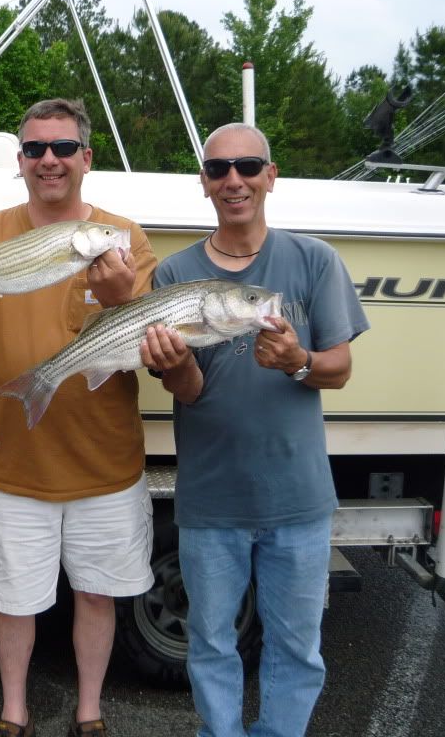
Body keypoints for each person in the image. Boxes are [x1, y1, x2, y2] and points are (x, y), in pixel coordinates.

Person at [0, 98, 158, 737]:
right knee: (12, 597)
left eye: (60, 148)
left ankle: (89, 712)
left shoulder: (124, 237)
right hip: (13, 459)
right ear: (21, 162)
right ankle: (13, 712)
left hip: (105, 461)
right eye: (34, 149)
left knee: (98, 594)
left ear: (86, 157)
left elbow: (144, 343)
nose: (48, 160)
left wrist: (117, 296)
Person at [140, 123, 369, 737]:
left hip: (297, 497)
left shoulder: (315, 260)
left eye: (247, 167)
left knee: (297, 648)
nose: (233, 180)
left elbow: (339, 370)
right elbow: (188, 393)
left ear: (271, 175)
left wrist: (298, 360)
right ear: (204, 184)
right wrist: (176, 363)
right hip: (211, 498)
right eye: (218, 170)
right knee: (211, 643)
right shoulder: (174, 273)